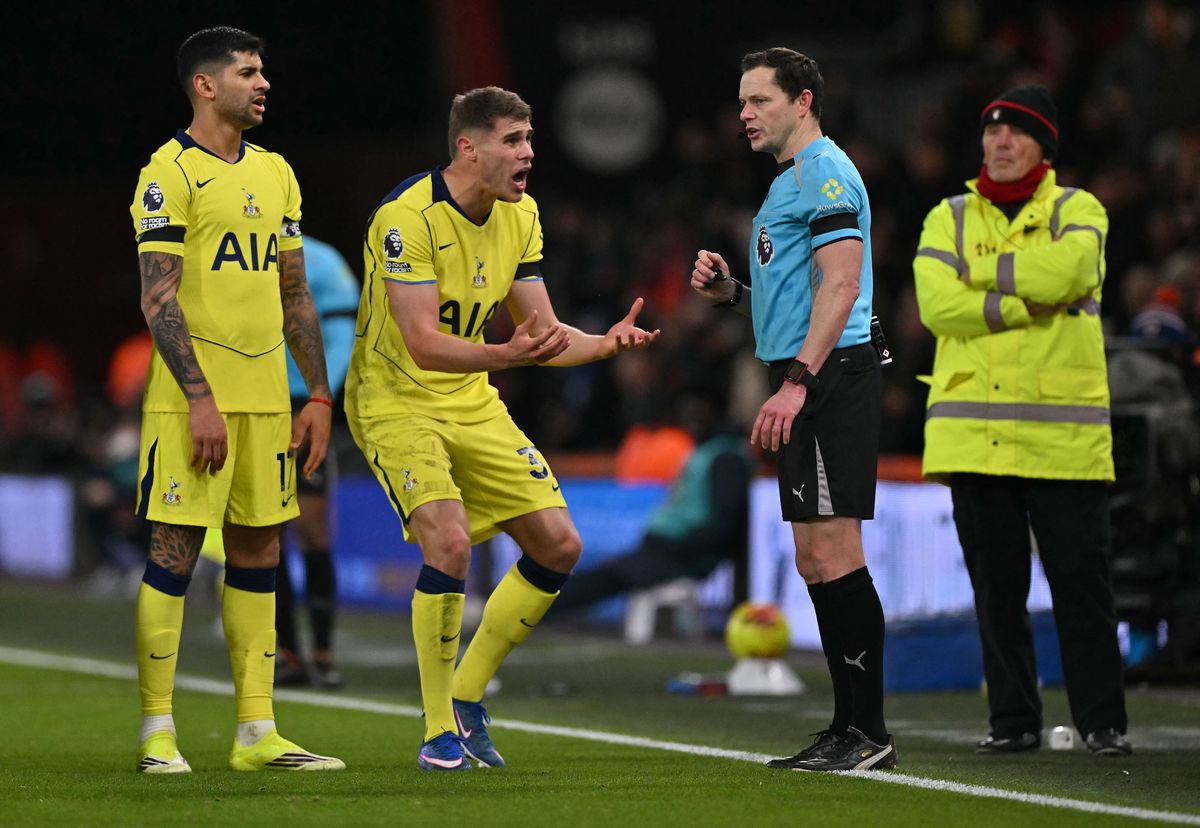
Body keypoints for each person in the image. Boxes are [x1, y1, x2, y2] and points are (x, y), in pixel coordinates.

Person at [345, 86, 659, 772]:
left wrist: (606, 343)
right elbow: (424, 342)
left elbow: (541, 334)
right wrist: (508, 355)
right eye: (513, 141)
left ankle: (467, 694)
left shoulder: (522, 215)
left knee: (559, 545)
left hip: (471, 395)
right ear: (469, 147)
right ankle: (435, 730)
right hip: (394, 398)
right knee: (450, 543)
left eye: (529, 139)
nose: (529, 154)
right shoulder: (407, 219)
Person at [128, 26, 343, 773]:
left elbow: (293, 292)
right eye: (249, 72)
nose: (264, 83)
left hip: (269, 404)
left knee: (259, 552)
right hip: (193, 405)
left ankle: (258, 732)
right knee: (175, 556)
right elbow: (159, 299)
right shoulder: (168, 172)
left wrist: (316, 393)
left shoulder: (277, 173)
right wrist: (199, 398)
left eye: (265, 71)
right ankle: (158, 731)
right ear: (205, 85)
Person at [690, 48, 894, 772]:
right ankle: (846, 729)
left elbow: (842, 288)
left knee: (836, 552)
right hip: (808, 371)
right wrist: (735, 296)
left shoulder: (827, 172)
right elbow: (801, 296)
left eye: (759, 100)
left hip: (831, 376)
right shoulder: (788, 185)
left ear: (802, 101)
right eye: (743, 101)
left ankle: (867, 732)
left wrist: (799, 381)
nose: (744, 113)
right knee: (813, 559)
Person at [912, 84, 1131, 756]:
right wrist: (1021, 301)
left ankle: (1103, 724)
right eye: (991, 133)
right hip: (975, 441)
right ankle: (1012, 724)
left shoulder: (1079, 208)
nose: (1000, 143)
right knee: (996, 593)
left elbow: (1070, 273)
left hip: (1062, 440)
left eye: (1016, 133)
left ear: (1044, 145)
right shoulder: (946, 215)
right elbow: (934, 305)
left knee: (1081, 589)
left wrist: (982, 276)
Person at [551, 392, 754, 615]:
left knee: (610, 576)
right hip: (670, 546)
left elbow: (725, 520)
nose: (690, 419)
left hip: (682, 552)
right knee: (609, 573)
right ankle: (545, 605)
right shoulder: (706, 450)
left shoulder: (726, 458)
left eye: (698, 413)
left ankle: (544, 608)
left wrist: (682, 545)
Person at [273, 236, 360, 690]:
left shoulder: (322, 261)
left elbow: (346, 337)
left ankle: (322, 653)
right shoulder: (236, 252)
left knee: (312, 530)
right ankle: (287, 653)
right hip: (255, 409)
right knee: (266, 533)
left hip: (302, 407)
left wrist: (317, 397)